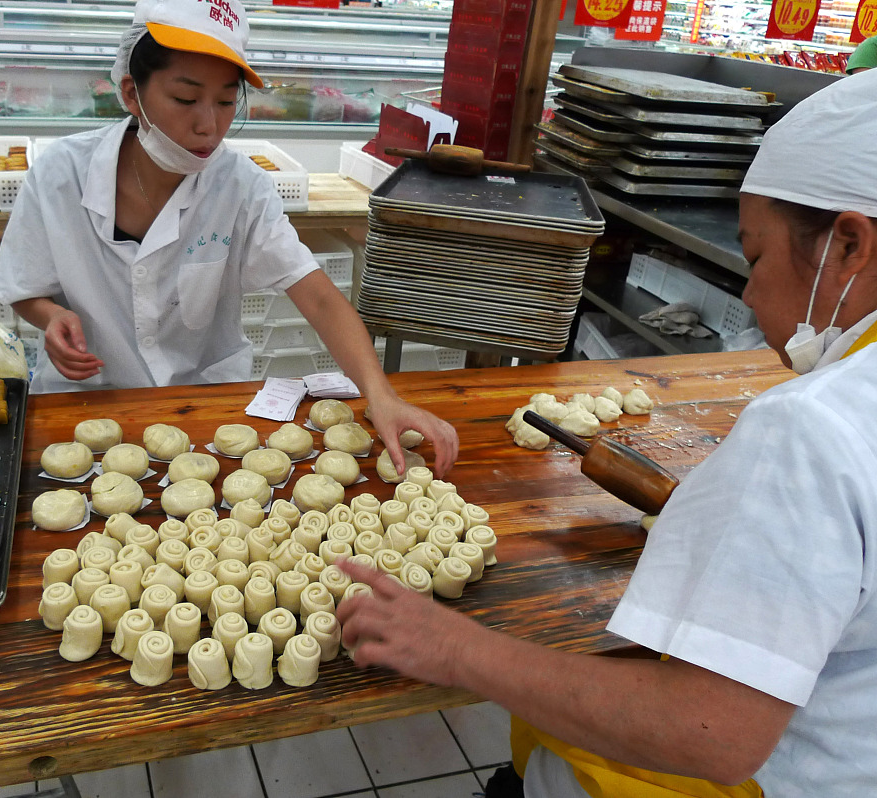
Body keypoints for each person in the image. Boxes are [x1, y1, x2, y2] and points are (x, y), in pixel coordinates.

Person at [337, 68, 877, 797]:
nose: (749, 293)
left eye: (754, 258)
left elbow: (712, 732)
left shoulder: (808, 428)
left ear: (848, 246)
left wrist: (457, 649)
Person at [0, 0, 457, 475]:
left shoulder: (241, 187)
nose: (208, 126)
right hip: (83, 405)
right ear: (132, 93)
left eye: (226, 102)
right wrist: (51, 316)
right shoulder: (60, 174)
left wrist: (381, 396)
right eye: (185, 99)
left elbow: (316, 295)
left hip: (205, 412)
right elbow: (25, 286)